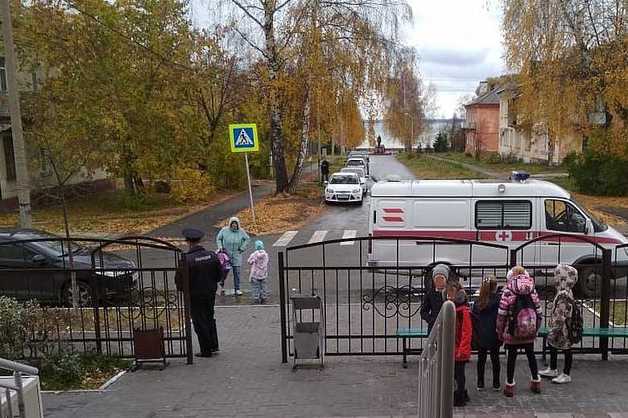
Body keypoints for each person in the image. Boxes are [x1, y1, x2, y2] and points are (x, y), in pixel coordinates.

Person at [497, 266, 543, 397]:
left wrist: (500, 331)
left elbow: (501, 314)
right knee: (531, 356)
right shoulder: (531, 289)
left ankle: (510, 386)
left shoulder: (508, 291)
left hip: (512, 331)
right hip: (529, 331)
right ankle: (536, 381)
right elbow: (539, 312)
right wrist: (535, 329)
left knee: (511, 358)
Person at [177, 228, 222, 358]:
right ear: (200, 240)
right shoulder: (212, 255)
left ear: (187, 241)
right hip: (210, 293)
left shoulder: (186, 260)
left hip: (194, 295)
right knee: (209, 317)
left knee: (199, 321)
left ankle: (206, 350)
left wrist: (184, 290)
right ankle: (214, 345)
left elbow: (180, 280)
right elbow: (219, 275)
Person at [539, 264, 580, 384]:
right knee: (553, 345)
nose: (555, 278)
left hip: (563, 327)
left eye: (557, 275)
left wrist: (555, 328)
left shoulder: (564, 295)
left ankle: (566, 374)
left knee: (566, 348)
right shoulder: (564, 291)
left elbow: (561, 314)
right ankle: (553, 368)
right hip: (561, 326)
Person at [471, 276, 502, 391]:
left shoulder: (478, 301)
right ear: (495, 287)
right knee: (495, 359)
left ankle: (480, 382)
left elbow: (474, 318)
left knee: (481, 359)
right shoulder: (499, 300)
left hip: (481, 333)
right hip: (494, 333)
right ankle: (496, 383)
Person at [450, 286, 472, 407]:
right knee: (457, 373)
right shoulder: (458, 311)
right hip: (456, 348)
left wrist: (462, 351)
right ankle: (462, 393)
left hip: (459, 350)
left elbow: (466, 333)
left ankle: (460, 397)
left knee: (459, 373)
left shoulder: (462, 312)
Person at [216, 217, 249, 296]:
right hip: (226, 255)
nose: (234, 226)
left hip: (237, 255)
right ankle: (221, 285)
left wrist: (242, 248)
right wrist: (220, 247)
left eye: (236, 224)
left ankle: (237, 289)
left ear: (238, 225)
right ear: (230, 224)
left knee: (236, 272)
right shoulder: (224, 230)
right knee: (224, 272)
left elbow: (247, 239)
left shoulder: (241, 231)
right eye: (232, 224)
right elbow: (218, 238)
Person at [420, 264, 450, 334]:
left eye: (442, 278)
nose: (439, 282)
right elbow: (423, 312)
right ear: (433, 280)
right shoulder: (430, 294)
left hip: (448, 326)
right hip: (434, 326)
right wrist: (431, 320)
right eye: (437, 279)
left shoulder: (450, 292)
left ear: (446, 279)